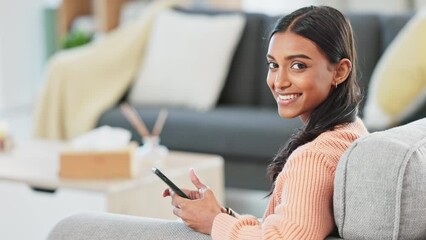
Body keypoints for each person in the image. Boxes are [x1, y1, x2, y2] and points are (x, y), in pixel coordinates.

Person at [163, 5, 369, 239]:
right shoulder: (352, 130)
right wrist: (220, 215)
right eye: (273, 65)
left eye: (298, 65)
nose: (279, 82)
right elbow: (290, 225)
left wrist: (213, 223)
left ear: (340, 71)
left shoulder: (313, 158)